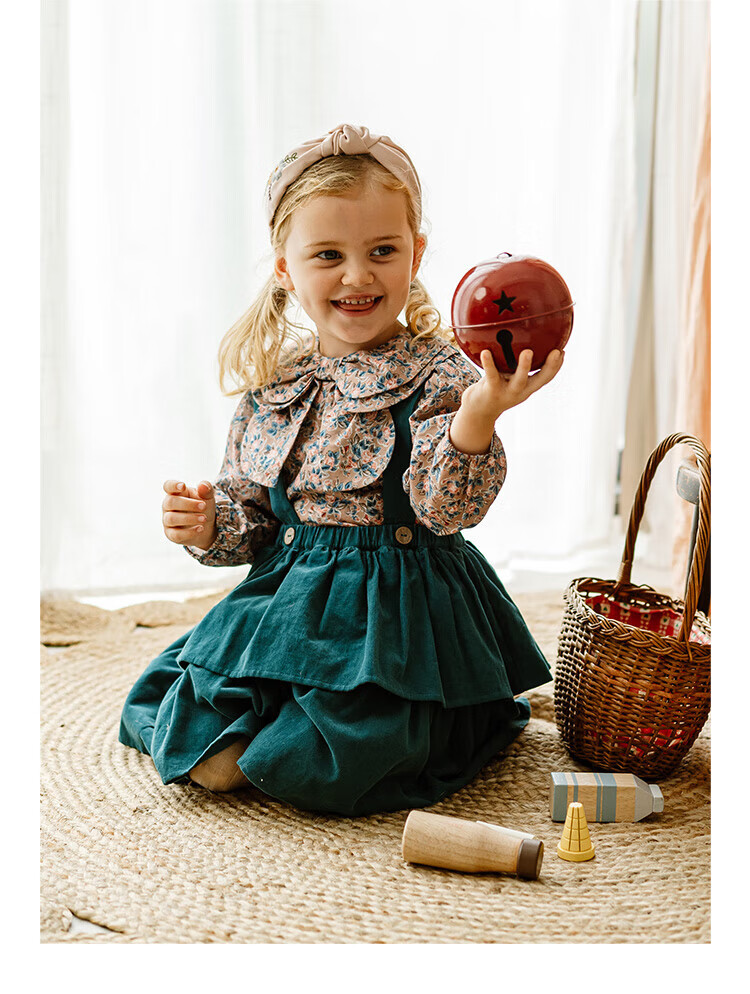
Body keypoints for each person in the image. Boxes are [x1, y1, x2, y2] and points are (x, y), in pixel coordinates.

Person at [119, 123, 564, 816]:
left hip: (397, 607)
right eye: (328, 255)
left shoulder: (444, 373)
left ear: (416, 253)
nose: (358, 276)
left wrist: (478, 415)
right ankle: (278, 701)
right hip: (289, 598)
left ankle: (389, 713)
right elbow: (253, 523)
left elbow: (447, 510)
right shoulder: (277, 383)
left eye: (382, 251)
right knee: (204, 753)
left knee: (322, 763)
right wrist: (208, 523)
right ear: (285, 267)